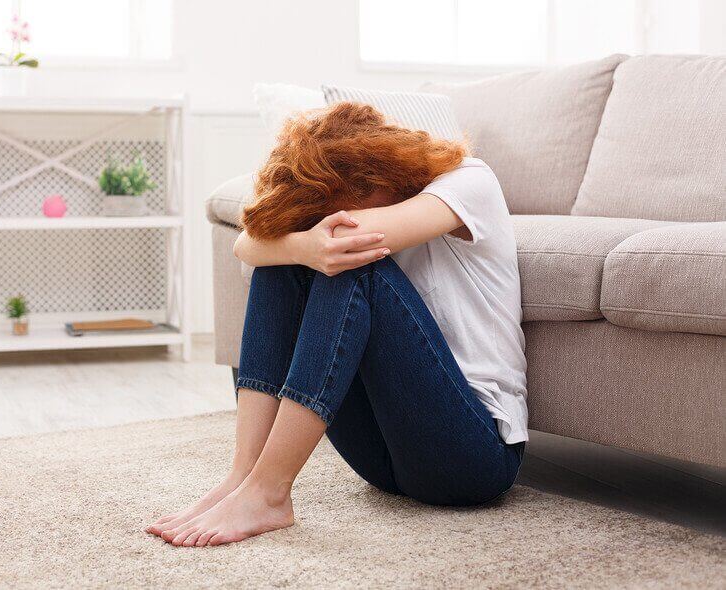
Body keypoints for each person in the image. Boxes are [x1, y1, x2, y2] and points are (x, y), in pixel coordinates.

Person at [146, 102, 528, 547]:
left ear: (380, 174)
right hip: (383, 461)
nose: (332, 218)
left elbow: (328, 238)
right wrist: (297, 244)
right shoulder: (369, 204)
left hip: (473, 456)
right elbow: (248, 246)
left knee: (348, 263)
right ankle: (244, 476)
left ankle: (269, 493)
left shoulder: (469, 180)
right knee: (284, 263)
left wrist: (297, 240)